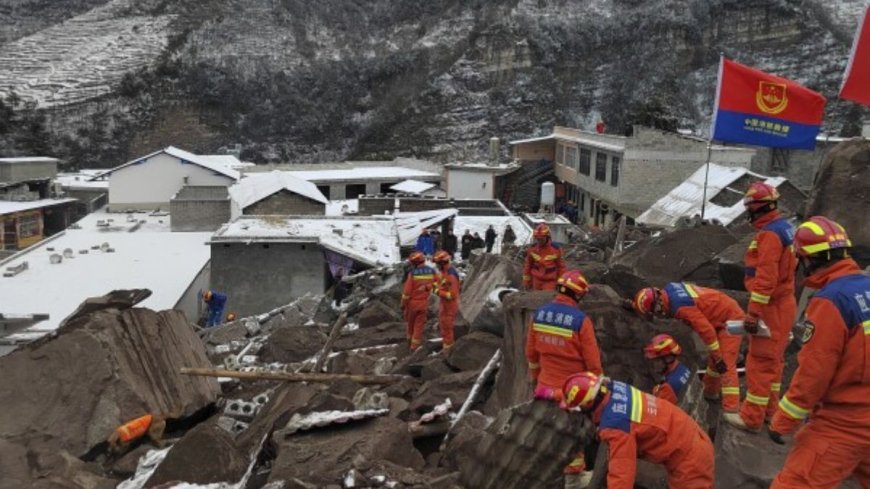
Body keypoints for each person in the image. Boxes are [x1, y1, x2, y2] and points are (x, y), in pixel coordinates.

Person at [768, 217, 870, 488]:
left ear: (808, 260)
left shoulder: (831, 301)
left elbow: (815, 372)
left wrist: (783, 421)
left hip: (844, 423)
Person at [724, 182, 797, 432]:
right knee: (774, 363)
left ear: (755, 208)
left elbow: (766, 279)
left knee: (759, 362)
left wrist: (754, 313)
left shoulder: (770, 236)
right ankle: (769, 413)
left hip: (771, 307)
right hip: (784, 304)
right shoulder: (784, 229)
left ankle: (752, 418)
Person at [561, 372, 715, 489]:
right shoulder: (614, 388)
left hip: (690, 461)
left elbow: (621, 478)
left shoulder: (616, 426)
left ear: (588, 406)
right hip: (691, 439)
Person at [527, 270, 602, 484]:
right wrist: (597, 389)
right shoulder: (580, 321)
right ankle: (573, 482)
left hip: (544, 388)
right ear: (577, 295)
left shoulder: (539, 314)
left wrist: (536, 379)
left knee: (547, 433)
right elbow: (593, 363)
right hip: (572, 393)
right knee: (572, 442)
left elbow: (531, 354)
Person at [632, 283, 742, 412]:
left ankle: (732, 408)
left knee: (725, 362)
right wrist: (634, 306)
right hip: (720, 311)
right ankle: (709, 391)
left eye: (655, 312)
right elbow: (649, 302)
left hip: (729, 319)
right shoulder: (668, 291)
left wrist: (718, 357)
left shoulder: (682, 308)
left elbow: (707, 331)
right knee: (715, 361)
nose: (658, 315)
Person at [401, 251, 438, 351]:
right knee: (419, 325)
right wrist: (428, 287)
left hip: (412, 303)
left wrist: (403, 305)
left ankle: (409, 342)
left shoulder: (413, 273)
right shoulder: (432, 271)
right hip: (425, 303)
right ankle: (415, 346)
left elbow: (406, 292)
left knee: (410, 324)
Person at [644, 334, 692, 405]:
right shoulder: (682, 368)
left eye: (656, 360)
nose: (653, 365)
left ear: (668, 358)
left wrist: (656, 393)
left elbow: (659, 412)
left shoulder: (667, 388)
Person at [523, 224, 566, 291]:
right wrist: (526, 282)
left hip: (550, 281)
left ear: (547, 237)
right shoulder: (532, 249)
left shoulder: (556, 249)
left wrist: (562, 283)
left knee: (546, 298)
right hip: (536, 280)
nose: (539, 241)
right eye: (537, 239)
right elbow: (528, 266)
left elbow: (561, 267)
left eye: (541, 239)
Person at [433, 250, 460, 350]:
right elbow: (441, 284)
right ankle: (446, 349)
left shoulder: (451, 275)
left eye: (437, 264)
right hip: (444, 305)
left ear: (442, 263)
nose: (436, 266)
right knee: (444, 329)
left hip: (449, 306)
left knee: (447, 330)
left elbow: (451, 295)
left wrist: (437, 291)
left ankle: (448, 352)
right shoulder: (444, 272)